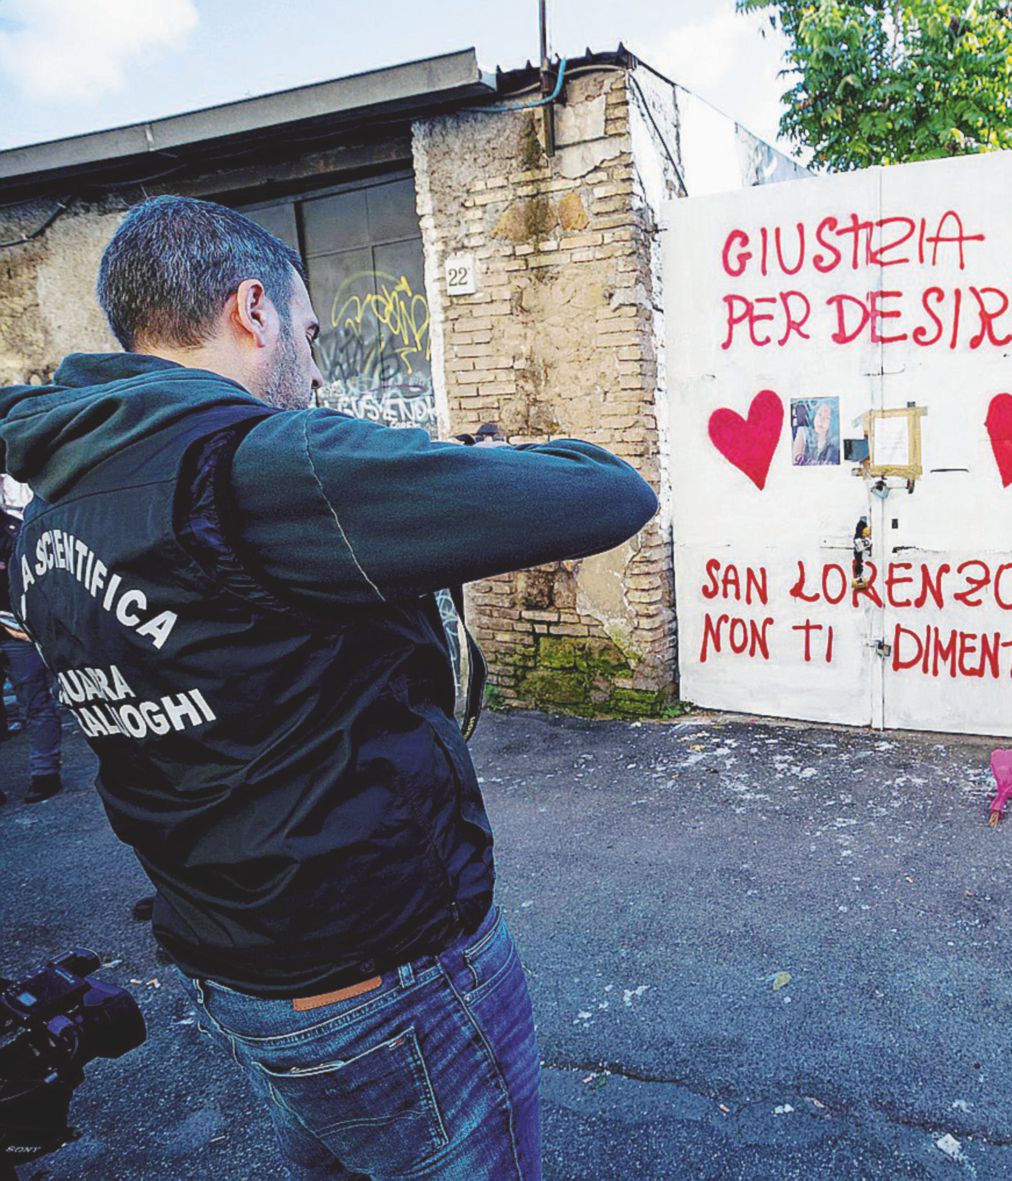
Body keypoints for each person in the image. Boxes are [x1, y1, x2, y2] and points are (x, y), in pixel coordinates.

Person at [0, 195, 658, 1179]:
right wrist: (465, 468)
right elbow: (607, 491)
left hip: (239, 968)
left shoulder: (57, 506)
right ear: (252, 310)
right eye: (308, 336)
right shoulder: (267, 465)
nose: (316, 368)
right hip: (385, 972)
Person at [0, 505, 62, 804]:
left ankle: (45, 772)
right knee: (35, 703)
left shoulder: (16, 529)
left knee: (35, 702)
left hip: (17, 630)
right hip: (15, 630)